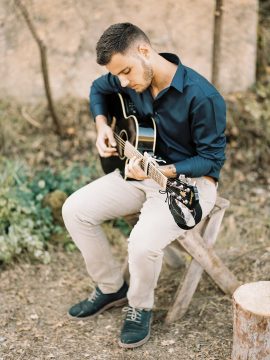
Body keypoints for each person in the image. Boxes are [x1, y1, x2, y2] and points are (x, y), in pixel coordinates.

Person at [62, 22, 226, 348]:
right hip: (139, 175)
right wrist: (101, 127)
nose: (123, 82)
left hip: (188, 185)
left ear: (144, 51)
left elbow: (211, 160)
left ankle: (139, 307)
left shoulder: (202, 96)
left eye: (126, 72)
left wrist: (164, 172)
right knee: (75, 210)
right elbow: (99, 88)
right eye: (118, 76)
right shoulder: (128, 77)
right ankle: (111, 288)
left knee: (141, 243)